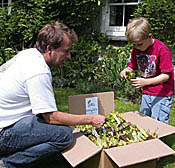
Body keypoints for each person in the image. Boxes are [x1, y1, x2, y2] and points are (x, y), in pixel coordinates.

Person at [0, 22, 106, 168]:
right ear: (50, 49)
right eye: (66, 51)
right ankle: (8, 164)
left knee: (59, 127)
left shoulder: (29, 54)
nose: (69, 56)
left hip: (7, 122)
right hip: (3, 134)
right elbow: (51, 117)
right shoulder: (38, 71)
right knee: (63, 135)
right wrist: (90, 119)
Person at [120, 17, 175, 124]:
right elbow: (132, 66)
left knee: (158, 122)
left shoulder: (161, 49)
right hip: (147, 92)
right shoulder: (136, 49)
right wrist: (126, 70)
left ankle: (159, 141)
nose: (136, 47)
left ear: (149, 36)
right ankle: (149, 141)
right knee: (145, 121)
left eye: (139, 44)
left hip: (162, 94)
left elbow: (166, 75)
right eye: (134, 45)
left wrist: (145, 82)